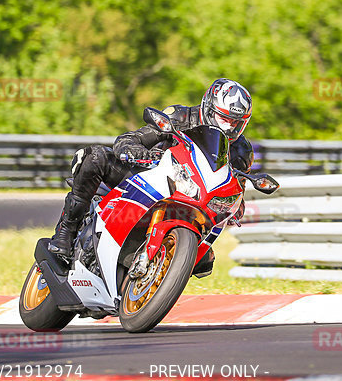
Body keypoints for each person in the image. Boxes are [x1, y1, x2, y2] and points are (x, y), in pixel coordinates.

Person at [48, 78, 254, 269]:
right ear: (209, 108)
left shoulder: (241, 151)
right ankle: (66, 231)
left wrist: (235, 207)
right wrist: (134, 150)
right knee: (95, 157)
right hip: (149, 176)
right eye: (224, 118)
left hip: (194, 199)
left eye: (236, 122)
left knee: (205, 261)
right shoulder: (180, 117)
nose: (229, 126)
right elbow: (132, 138)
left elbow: (237, 190)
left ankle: (166, 268)